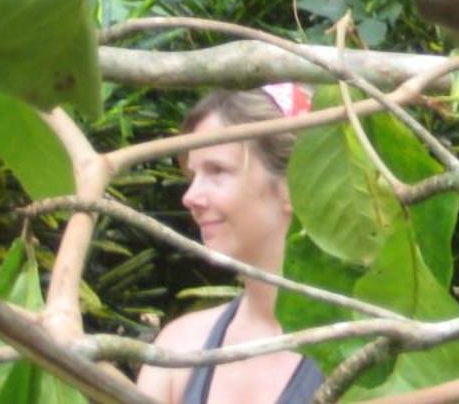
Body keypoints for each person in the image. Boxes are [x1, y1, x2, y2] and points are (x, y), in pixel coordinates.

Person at [138, 86, 325, 404]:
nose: (190, 197)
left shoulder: (377, 350)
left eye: (217, 171)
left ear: (295, 184)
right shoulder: (180, 349)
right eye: (193, 175)